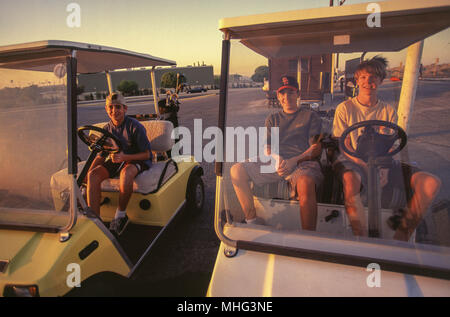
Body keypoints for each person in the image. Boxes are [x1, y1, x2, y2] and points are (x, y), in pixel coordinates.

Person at [332, 56, 441, 241]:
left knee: (431, 183)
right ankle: (363, 240)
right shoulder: (345, 108)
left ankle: (400, 240)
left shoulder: (388, 110)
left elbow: (390, 145)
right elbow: (344, 145)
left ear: (381, 81)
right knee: (351, 180)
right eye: (364, 78)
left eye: (374, 77)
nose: (368, 82)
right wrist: (367, 167)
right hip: (354, 160)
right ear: (357, 81)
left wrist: (382, 168)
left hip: (383, 161)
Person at [230, 76, 323, 230]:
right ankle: (252, 222)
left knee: (305, 182)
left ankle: (309, 237)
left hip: (303, 162)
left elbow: (316, 148)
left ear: (298, 94)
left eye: (291, 92)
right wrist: (276, 158)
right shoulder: (272, 119)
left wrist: (294, 161)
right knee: (236, 170)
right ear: (278, 96)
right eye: (283, 93)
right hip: (277, 162)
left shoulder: (310, 116)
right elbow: (267, 146)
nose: (287, 97)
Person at [86, 92, 152, 235]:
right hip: (118, 159)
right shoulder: (106, 129)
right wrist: (85, 178)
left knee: (126, 174)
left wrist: (125, 157)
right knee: (92, 175)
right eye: (111, 107)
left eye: (118, 107)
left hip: (137, 159)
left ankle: (120, 216)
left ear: (125, 109)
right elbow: (101, 155)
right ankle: (95, 222)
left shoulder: (135, 127)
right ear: (106, 109)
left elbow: (147, 154)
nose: (114, 111)